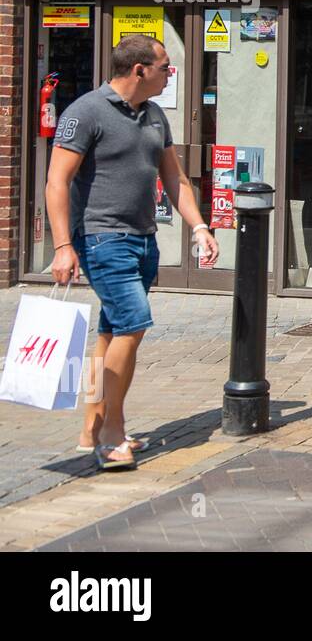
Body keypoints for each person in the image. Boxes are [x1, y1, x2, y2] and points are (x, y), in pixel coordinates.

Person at [46, 34, 219, 470]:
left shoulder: (155, 115)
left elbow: (175, 179)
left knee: (113, 332)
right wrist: (64, 245)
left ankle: (92, 423)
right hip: (102, 238)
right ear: (139, 69)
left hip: (143, 239)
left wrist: (199, 227)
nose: (170, 72)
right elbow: (56, 182)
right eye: (164, 66)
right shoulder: (86, 112)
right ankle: (111, 434)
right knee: (134, 324)